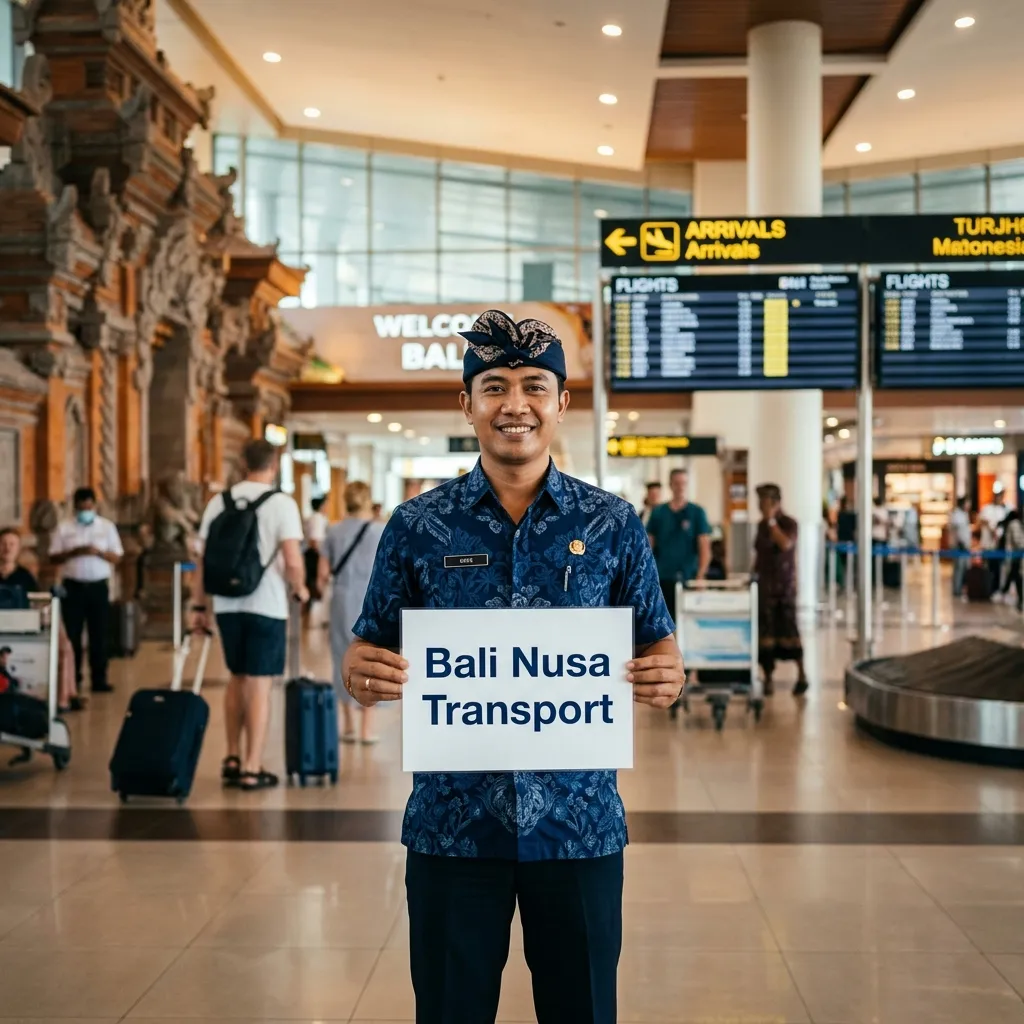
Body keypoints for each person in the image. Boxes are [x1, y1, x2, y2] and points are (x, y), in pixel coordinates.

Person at [341, 309, 683, 1024]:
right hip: (452, 826)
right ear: (466, 404)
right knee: (449, 1010)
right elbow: (370, 643)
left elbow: (657, 642)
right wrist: (361, 669)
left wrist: (665, 673)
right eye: (493, 386)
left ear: (562, 402)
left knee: (582, 1009)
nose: (514, 404)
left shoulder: (612, 524)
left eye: (534, 385)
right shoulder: (416, 526)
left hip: (579, 823)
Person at [191, 440, 307, 792]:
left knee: (236, 677)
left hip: (227, 604)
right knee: (259, 683)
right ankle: (252, 766)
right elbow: (291, 558)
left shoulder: (218, 502)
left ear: (242, 462)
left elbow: (201, 560)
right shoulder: (281, 503)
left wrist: (199, 606)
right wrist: (300, 588)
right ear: (275, 464)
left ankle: (230, 756)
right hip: (266, 605)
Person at [318, 481, 385, 745]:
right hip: (374, 601)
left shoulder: (334, 531)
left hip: (343, 600)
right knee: (372, 658)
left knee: (342, 655)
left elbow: (323, 574)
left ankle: (347, 724)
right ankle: (367, 728)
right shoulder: (381, 530)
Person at [48, 488, 123, 695]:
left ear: (94, 505)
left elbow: (118, 556)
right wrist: (75, 552)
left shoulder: (106, 527)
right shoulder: (64, 528)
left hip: (98, 586)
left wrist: (98, 553)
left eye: (88, 507)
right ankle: (74, 677)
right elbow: (53, 557)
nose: (85, 511)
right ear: (75, 507)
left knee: (99, 632)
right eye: (81, 508)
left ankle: (99, 678)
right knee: (72, 633)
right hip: (73, 587)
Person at [0, 527, 80, 712]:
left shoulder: (24, 576)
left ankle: (62, 698)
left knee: (61, 642)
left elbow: (36, 603)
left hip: (21, 626)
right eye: (3, 544)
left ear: (18, 548)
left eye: (12, 544)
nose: (7, 548)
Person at [753, 483, 808, 697]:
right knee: (766, 636)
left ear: (775, 503)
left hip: (784, 589)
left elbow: (785, 544)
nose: (760, 506)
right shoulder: (761, 526)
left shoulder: (789, 523)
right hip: (765, 587)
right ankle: (768, 678)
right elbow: (760, 554)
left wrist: (772, 521)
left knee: (790, 632)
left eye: (764, 502)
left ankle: (802, 675)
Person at [646, 468, 712, 621]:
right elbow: (649, 545)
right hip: (663, 577)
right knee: (665, 621)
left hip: (689, 576)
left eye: (683, 483)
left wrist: (701, 576)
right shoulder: (659, 513)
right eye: (677, 483)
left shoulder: (696, 512)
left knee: (688, 621)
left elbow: (704, 546)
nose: (680, 487)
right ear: (670, 485)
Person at [302, 495, 329, 618]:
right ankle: (308, 613)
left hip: (310, 553)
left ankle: (307, 611)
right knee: (313, 584)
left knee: (310, 582)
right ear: (321, 506)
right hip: (315, 554)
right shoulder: (318, 519)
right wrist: (323, 556)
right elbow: (315, 541)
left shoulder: (312, 518)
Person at [998, 508, 1024, 610]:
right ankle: (1020, 599)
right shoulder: (1013, 525)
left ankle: (1006, 591)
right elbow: (1011, 542)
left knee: (1015, 576)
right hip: (1015, 557)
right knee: (1017, 577)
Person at [949, 496, 973, 598]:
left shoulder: (964, 514)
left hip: (965, 546)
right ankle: (957, 589)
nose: (969, 505)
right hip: (959, 546)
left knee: (964, 568)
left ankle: (962, 588)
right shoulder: (957, 515)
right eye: (968, 503)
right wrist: (961, 543)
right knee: (958, 568)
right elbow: (957, 531)